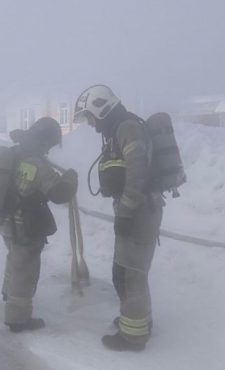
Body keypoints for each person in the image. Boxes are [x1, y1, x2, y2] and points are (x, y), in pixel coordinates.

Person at [74, 85, 164, 351]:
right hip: (134, 211)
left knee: (130, 276)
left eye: (90, 117)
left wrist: (124, 212)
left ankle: (133, 337)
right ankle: (135, 318)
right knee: (125, 273)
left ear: (101, 109)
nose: (90, 123)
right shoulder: (119, 129)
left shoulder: (127, 129)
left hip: (138, 212)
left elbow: (137, 176)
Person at [0, 117, 78, 332]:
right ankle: (18, 318)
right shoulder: (37, 164)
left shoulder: (15, 153)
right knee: (26, 270)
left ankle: (8, 293)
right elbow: (60, 194)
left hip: (6, 220)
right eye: (50, 144)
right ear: (46, 140)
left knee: (14, 257)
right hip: (25, 225)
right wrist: (70, 178)